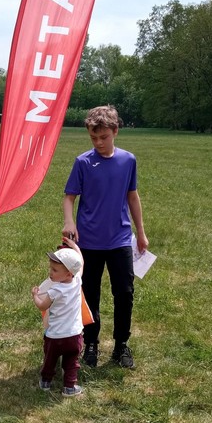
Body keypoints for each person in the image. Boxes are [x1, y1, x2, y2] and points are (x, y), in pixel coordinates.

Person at [62, 105, 148, 369]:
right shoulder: (83, 162)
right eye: (93, 138)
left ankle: (121, 345)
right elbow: (69, 197)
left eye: (103, 137)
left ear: (115, 131)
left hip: (120, 240)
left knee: (125, 293)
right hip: (88, 242)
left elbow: (132, 196)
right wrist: (69, 221)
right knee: (89, 295)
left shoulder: (128, 160)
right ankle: (90, 344)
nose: (98, 142)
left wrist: (141, 233)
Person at [31, 237, 85, 397]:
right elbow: (81, 262)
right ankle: (69, 387)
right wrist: (75, 246)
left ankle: (45, 382)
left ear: (68, 273)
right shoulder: (77, 282)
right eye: (51, 268)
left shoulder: (55, 291)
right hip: (74, 335)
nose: (50, 272)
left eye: (54, 270)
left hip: (55, 336)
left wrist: (35, 295)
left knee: (50, 360)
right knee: (71, 363)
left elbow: (42, 305)